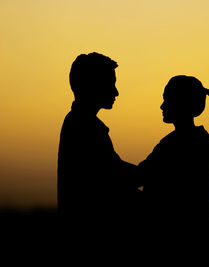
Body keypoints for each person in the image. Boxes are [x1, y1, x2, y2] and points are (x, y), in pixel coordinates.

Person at [57, 52, 138, 232]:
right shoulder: (84, 127)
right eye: (111, 83)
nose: (116, 91)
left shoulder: (80, 124)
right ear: (92, 85)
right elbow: (113, 176)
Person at [138, 75, 209, 234]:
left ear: (181, 104)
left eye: (167, 100)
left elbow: (140, 176)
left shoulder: (171, 145)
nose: (162, 106)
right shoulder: (206, 142)